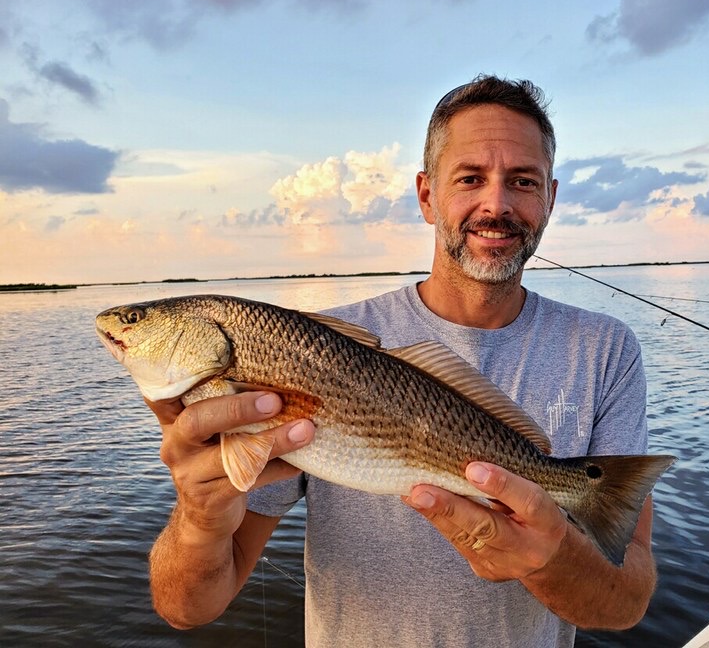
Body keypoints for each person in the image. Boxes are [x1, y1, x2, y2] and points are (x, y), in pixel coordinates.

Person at [146, 75, 661, 647]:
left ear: (550, 199)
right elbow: (187, 610)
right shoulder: (307, 349)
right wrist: (198, 516)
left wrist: (547, 558)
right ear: (426, 195)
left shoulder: (606, 349)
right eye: (470, 178)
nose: (496, 204)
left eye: (522, 181)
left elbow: (625, 603)